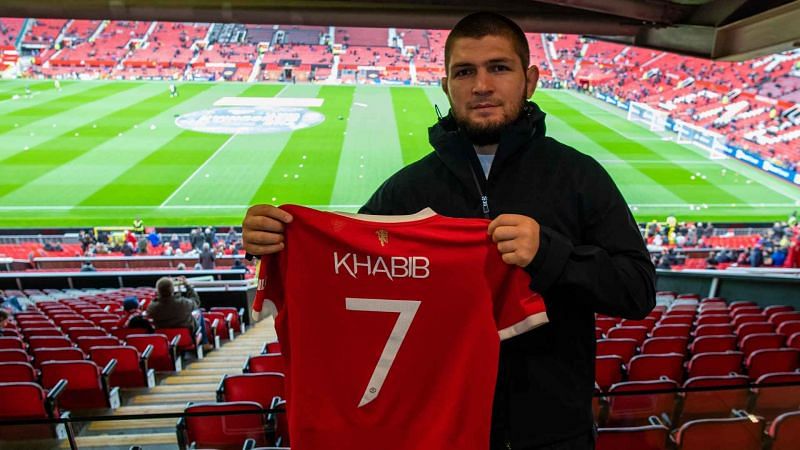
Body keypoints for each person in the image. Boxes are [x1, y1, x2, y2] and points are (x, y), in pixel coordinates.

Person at [242, 12, 654, 450]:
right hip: (435, 432)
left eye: (499, 67)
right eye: (464, 72)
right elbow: (347, 274)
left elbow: (638, 291)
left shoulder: (578, 177)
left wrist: (550, 254)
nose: (481, 85)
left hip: (552, 433)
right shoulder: (407, 190)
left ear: (529, 80)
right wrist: (281, 241)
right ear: (445, 86)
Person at [146, 276, 205, 341]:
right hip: (186, 338)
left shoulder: (152, 307)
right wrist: (188, 286)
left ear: (158, 291)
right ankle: (205, 342)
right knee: (198, 312)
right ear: (172, 289)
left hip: (164, 340)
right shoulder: (183, 303)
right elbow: (196, 302)